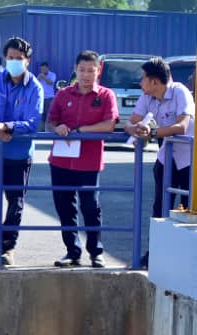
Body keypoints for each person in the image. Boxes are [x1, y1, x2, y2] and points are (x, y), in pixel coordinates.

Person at [0, 36, 43, 267]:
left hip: (19, 154)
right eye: (10, 58)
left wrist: (9, 128)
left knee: (15, 201)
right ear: (5, 58)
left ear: (28, 61)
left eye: (19, 59)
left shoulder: (35, 87)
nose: (14, 62)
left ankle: (7, 247)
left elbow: (33, 121)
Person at [46, 50, 118, 269]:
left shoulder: (105, 95)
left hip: (89, 161)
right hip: (61, 160)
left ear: (98, 71)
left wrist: (80, 130)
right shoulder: (63, 94)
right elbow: (50, 122)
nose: (86, 75)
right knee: (64, 207)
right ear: (75, 70)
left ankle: (96, 252)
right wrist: (57, 127)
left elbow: (109, 125)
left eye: (91, 70)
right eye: (82, 70)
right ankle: (72, 251)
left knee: (90, 206)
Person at [125, 56, 194, 269]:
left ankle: (187, 258)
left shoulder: (179, 91)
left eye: (144, 78)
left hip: (190, 161)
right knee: (160, 209)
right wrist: (134, 129)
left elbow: (182, 126)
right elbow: (131, 121)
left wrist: (152, 132)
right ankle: (154, 254)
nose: (141, 82)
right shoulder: (148, 97)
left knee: (190, 210)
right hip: (166, 158)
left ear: (155, 81)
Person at [38, 61, 57, 127]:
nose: (42, 70)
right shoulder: (40, 75)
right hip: (41, 99)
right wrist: (38, 78)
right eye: (41, 69)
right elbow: (35, 85)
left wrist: (43, 77)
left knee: (49, 116)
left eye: (44, 69)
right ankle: (41, 132)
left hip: (49, 98)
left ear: (47, 68)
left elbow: (51, 82)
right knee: (41, 116)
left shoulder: (52, 74)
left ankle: (48, 132)